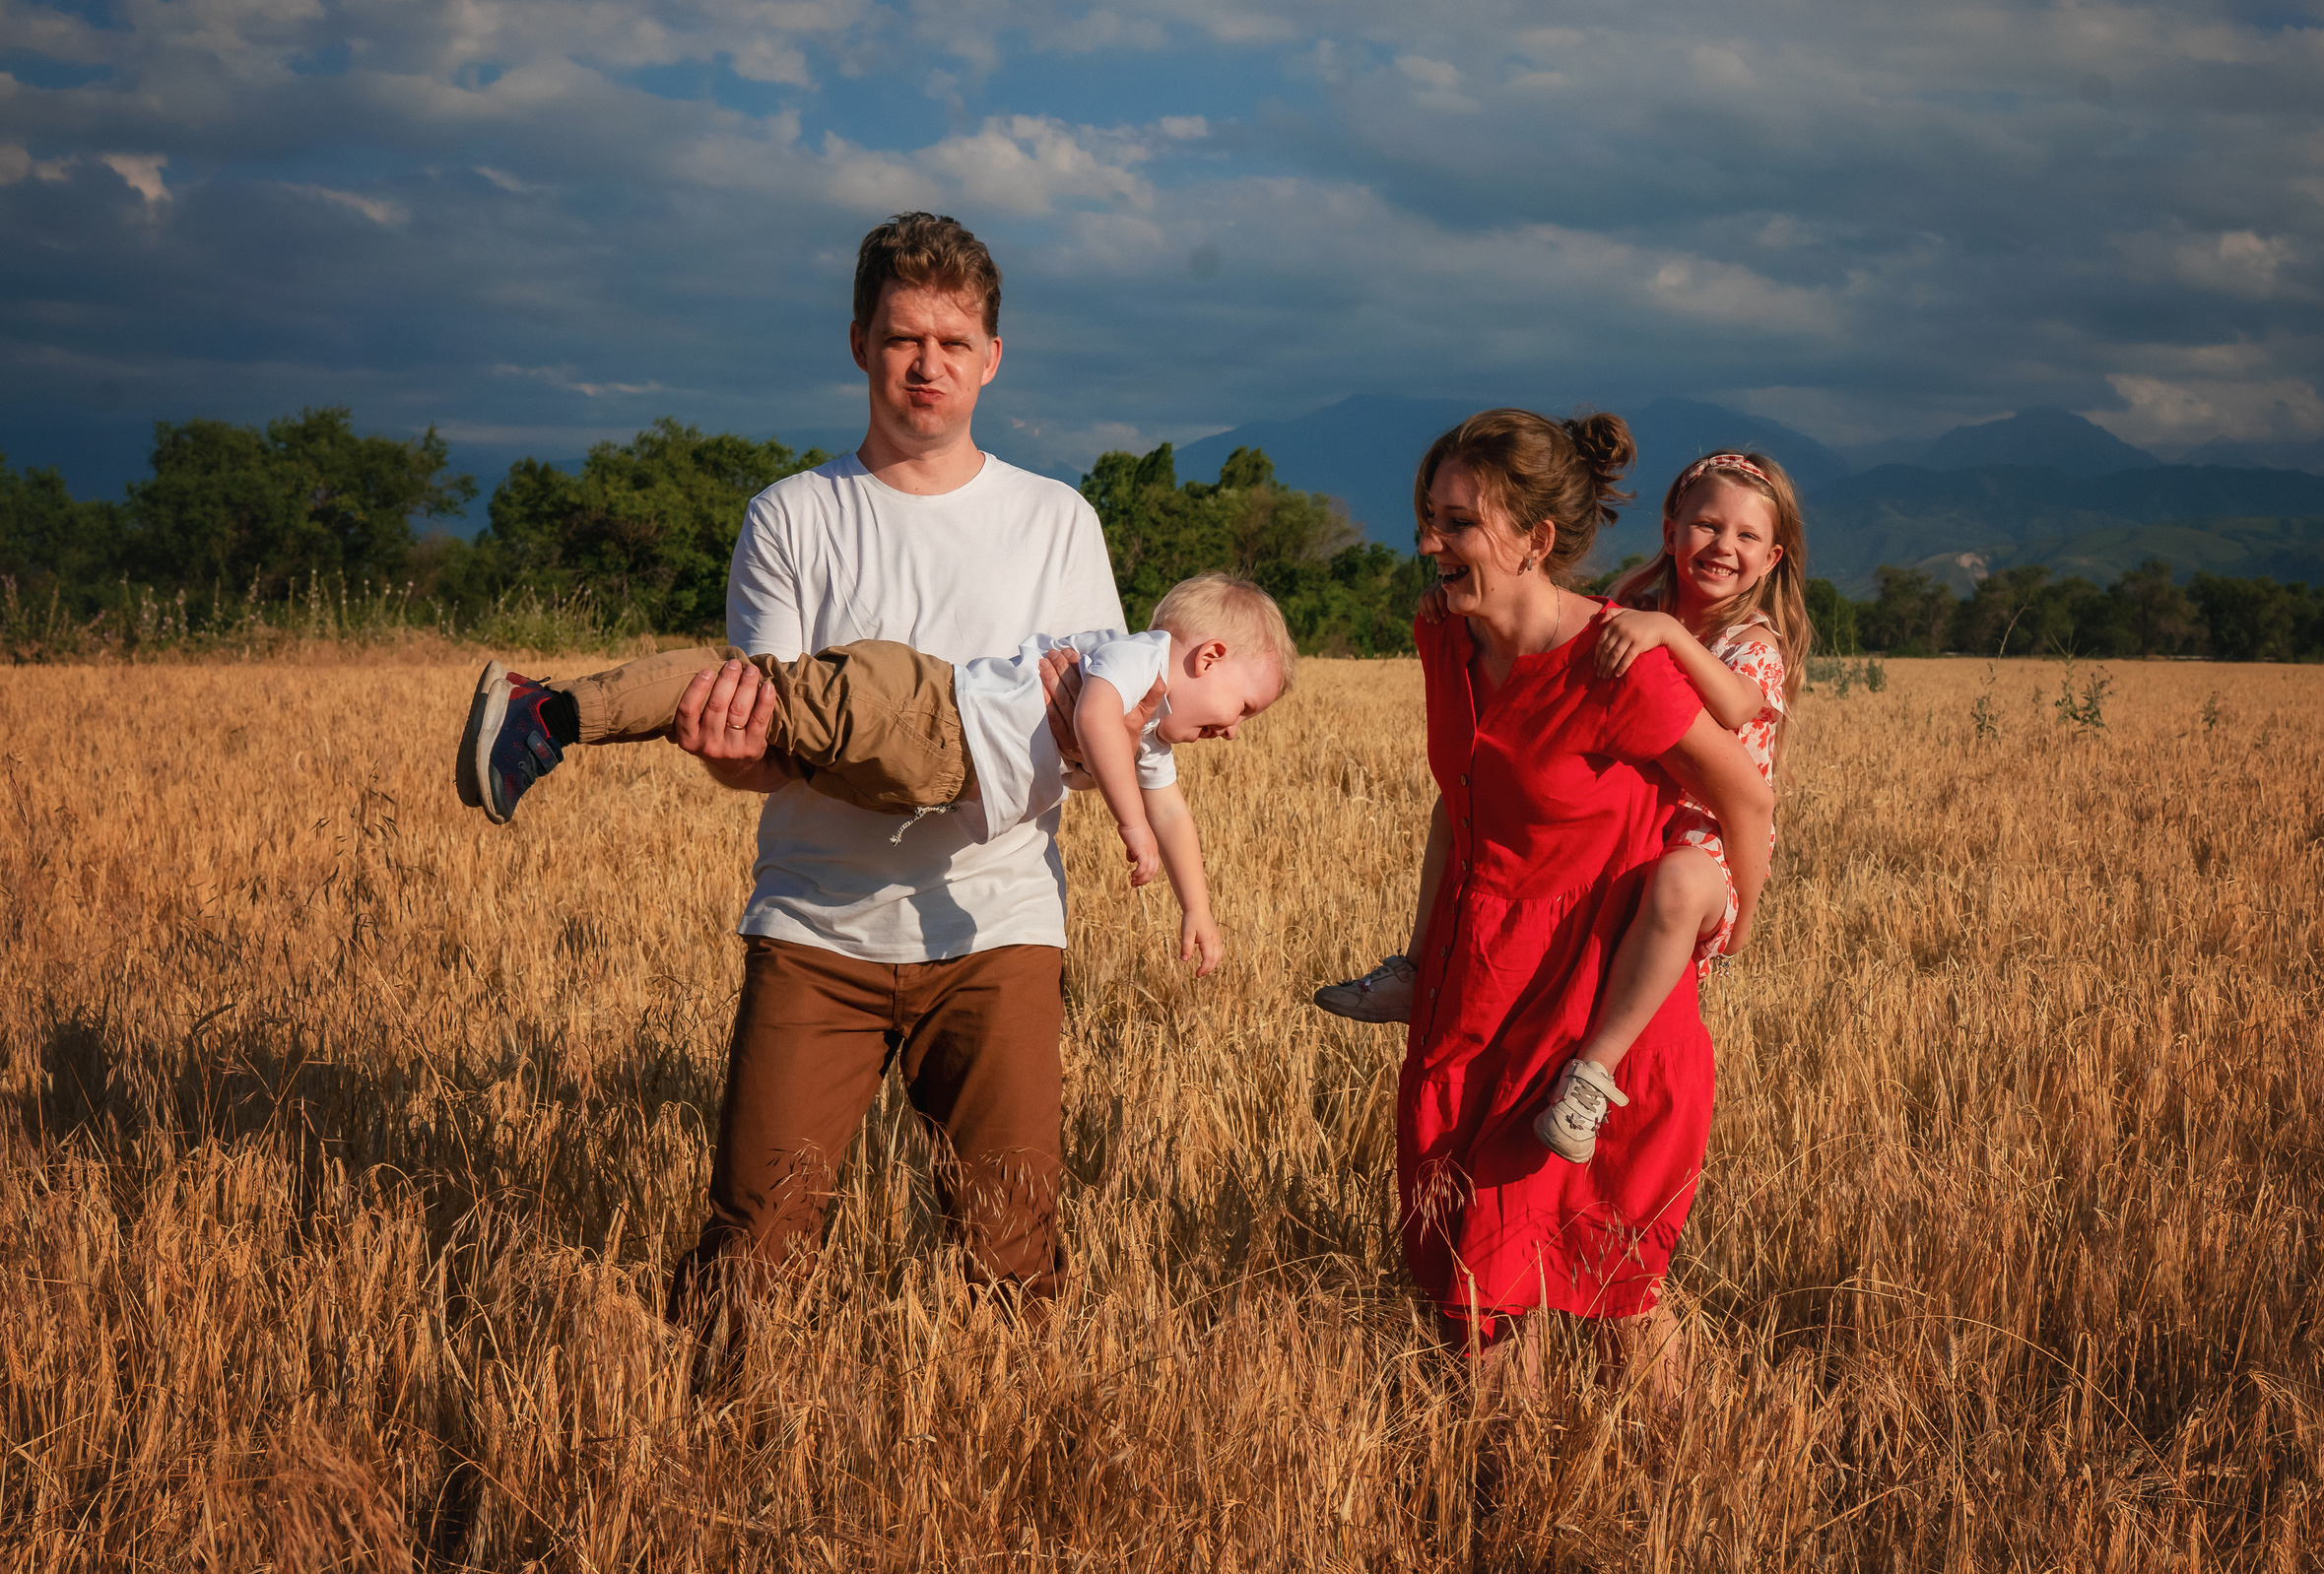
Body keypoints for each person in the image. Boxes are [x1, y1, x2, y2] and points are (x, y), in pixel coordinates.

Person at [634, 211, 1124, 1348]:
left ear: (993, 358)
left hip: (998, 926)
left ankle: (1017, 1461)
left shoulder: (1055, 522)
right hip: (818, 928)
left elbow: (1093, 755)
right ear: (858, 341)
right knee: (751, 1245)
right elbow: (766, 757)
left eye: (954, 344)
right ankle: (710, 1452)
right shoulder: (794, 517)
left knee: (1013, 1251)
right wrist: (729, 753)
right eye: (905, 338)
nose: (927, 366)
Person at [1320, 408, 1774, 1383]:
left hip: (1582, 1012)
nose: (1430, 543)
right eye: (1428, 517)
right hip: (1467, 995)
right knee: (1472, 1301)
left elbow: (1744, 793)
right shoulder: (1443, 639)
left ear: (1535, 541)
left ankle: (1692, 1504)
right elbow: (1461, 799)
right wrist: (1417, 957)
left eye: (1457, 523)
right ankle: (1507, 1515)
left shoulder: (1616, 663)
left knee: (1611, 1302)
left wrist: (1727, 921)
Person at [454, 570, 1293, 975]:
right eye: (1243, 707)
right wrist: (1129, 825)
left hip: (915, 776)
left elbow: (1175, 812)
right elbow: (1095, 717)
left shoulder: (1153, 736)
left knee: (761, 719)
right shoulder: (1140, 661)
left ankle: (552, 716)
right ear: (1208, 654)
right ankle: (549, 712)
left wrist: (1198, 908)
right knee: (750, 690)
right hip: (922, 715)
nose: (1234, 732)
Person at [1524, 449, 1811, 1161]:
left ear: (1772, 557)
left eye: (1747, 537)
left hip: (1708, 842)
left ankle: (1591, 1075)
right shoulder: (1636, 607)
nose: (1723, 546)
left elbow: (1738, 703)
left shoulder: (1754, 642)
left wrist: (1671, 636)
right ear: (1670, 526)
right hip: (1635, 820)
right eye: (1707, 525)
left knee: (1680, 879)